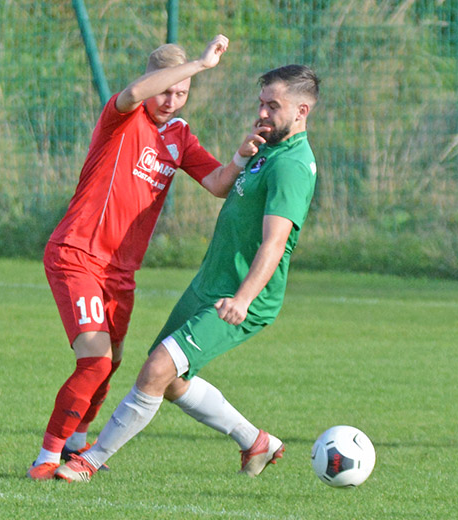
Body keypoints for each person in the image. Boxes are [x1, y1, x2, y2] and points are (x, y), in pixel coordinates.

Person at [54, 64, 320, 483]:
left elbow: (274, 243)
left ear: (302, 110)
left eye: (274, 106)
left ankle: (89, 459)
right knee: (173, 381)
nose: (263, 113)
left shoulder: (292, 166)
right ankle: (255, 441)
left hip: (243, 295)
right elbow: (219, 185)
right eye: (261, 103)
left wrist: (244, 299)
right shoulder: (266, 150)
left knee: (157, 369)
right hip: (210, 285)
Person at [27, 35, 273, 480]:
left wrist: (240, 155)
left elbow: (217, 183)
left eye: (180, 95)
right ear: (150, 81)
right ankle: (46, 458)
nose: (171, 100)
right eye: (167, 89)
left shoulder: (178, 136)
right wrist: (199, 64)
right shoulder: (121, 117)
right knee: (96, 360)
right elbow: (137, 93)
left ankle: (77, 441)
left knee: (111, 362)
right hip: (77, 254)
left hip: (121, 272)